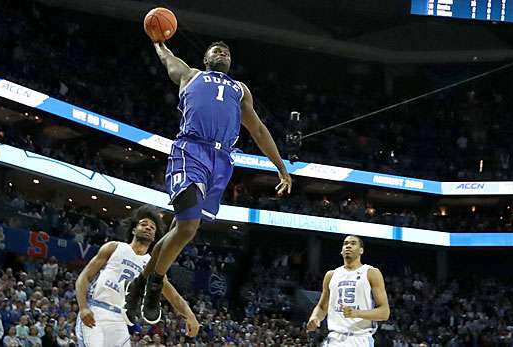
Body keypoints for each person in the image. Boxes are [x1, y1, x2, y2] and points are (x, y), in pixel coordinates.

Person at [131, 39, 293, 324]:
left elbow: (257, 129)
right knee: (188, 227)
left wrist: (281, 168)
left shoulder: (240, 89)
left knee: (178, 230)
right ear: (206, 58)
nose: (223, 53)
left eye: (227, 52)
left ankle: (139, 285)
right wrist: (158, 41)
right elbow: (168, 57)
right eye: (217, 50)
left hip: (221, 162)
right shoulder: (190, 75)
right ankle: (154, 285)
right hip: (191, 150)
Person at [75, 206, 199, 347]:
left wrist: (190, 315)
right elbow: (83, 277)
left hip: (119, 321)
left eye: (152, 227)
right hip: (96, 311)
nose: (148, 228)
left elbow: (173, 295)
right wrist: (83, 307)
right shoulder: (114, 247)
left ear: (154, 237)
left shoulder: (152, 264)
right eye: (143, 224)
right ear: (134, 230)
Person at [307, 235, 390, 346]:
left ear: (361, 250)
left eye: (353, 243)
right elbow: (322, 307)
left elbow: (384, 312)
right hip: (334, 339)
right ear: (341, 251)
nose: (348, 246)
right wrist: (315, 318)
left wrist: (357, 313)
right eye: (345, 244)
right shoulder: (331, 275)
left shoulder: (371, 273)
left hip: (360, 339)